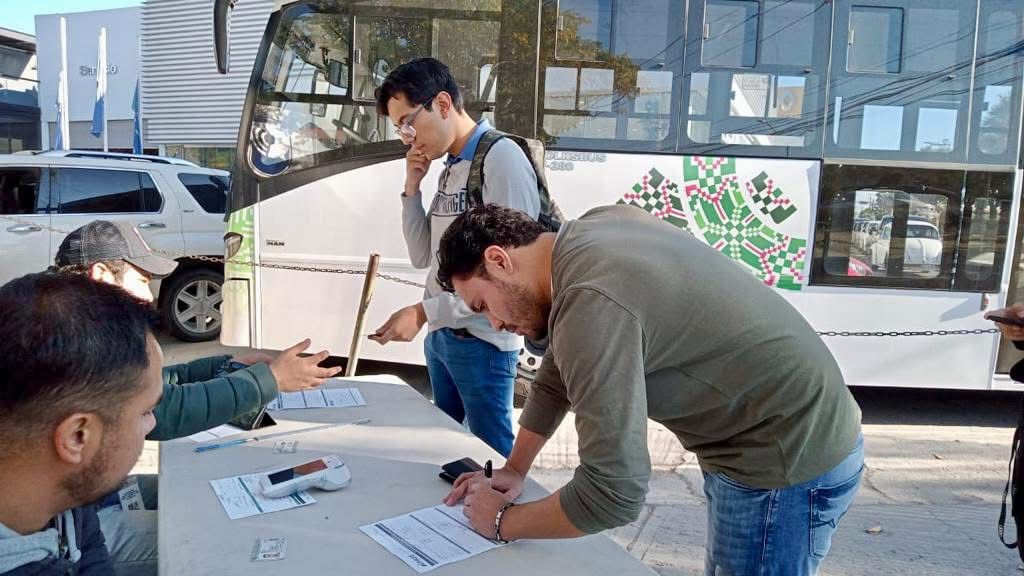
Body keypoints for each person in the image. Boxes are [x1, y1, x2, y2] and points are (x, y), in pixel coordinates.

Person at [438, 204, 864, 576]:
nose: (494, 324)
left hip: (782, 460)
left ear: (498, 260)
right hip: (800, 428)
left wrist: (501, 522)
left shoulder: (590, 302)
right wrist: (515, 469)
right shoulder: (596, 227)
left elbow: (613, 494)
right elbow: (558, 373)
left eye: (482, 305)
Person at [53, 219, 341, 575]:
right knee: (213, 538)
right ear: (101, 274)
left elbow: (154, 384)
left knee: (201, 491)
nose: (148, 296)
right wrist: (269, 380)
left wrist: (225, 365)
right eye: (141, 280)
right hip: (72, 527)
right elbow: (163, 411)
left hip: (93, 497)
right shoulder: (76, 340)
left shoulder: (76, 323)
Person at [369, 57, 541, 457]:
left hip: (482, 340)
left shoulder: (501, 158)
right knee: (445, 452)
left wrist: (423, 312)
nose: (408, 139)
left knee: (491, 455)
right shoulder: (452, 166)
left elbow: (512, 277)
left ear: (443, 104)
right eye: (400, 129)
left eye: (409, 123)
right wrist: (412, 188)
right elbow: (422, 255)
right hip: (442, 337)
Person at [0, 272, 164, 575]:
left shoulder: (63, 495)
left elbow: (92, 557)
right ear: (78, 436)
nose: (152, 424)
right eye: (145, 412)